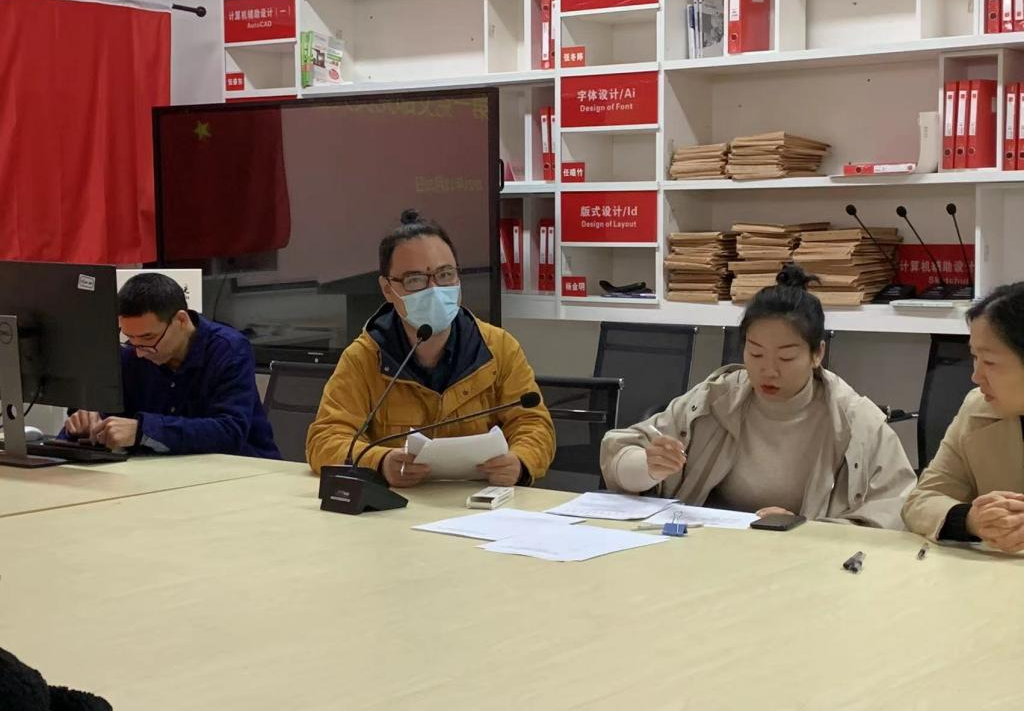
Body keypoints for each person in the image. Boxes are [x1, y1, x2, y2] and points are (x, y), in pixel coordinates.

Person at [601, 264, 915, 528]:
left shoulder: (854, 421)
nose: (769, 371)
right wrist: (648, 468)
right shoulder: (715, 399)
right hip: (709, 550)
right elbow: (618, 456)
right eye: (755, 353)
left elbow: (896, 510)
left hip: (808, 561)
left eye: (786, 357)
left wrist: (804, 527)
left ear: (817, 353)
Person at [306, 209, 554, 487]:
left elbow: (533, 425)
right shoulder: (364, 357)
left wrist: (519, 462)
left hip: (480, 501)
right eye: (415, 280)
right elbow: (325, 440)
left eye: (445, 275)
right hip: (399, 503)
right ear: (387, 289)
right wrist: (380, 461)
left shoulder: (499, 348)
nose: (434, 289)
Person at [63, 273, 280, 459]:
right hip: (164, 471)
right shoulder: (132, 353)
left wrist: (142, 430)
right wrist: (86, 423)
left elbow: (229, 431)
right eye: (130, 337)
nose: (140, 351)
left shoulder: (229, 349)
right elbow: (108, 413)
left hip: (241, 471)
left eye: (148, 337)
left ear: (181, 321)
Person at [902, 283, 1024, 551]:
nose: (976, 377)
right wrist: (972, 520)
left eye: (989, 362)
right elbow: (920, 500)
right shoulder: (977, 409)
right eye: (974, 357)